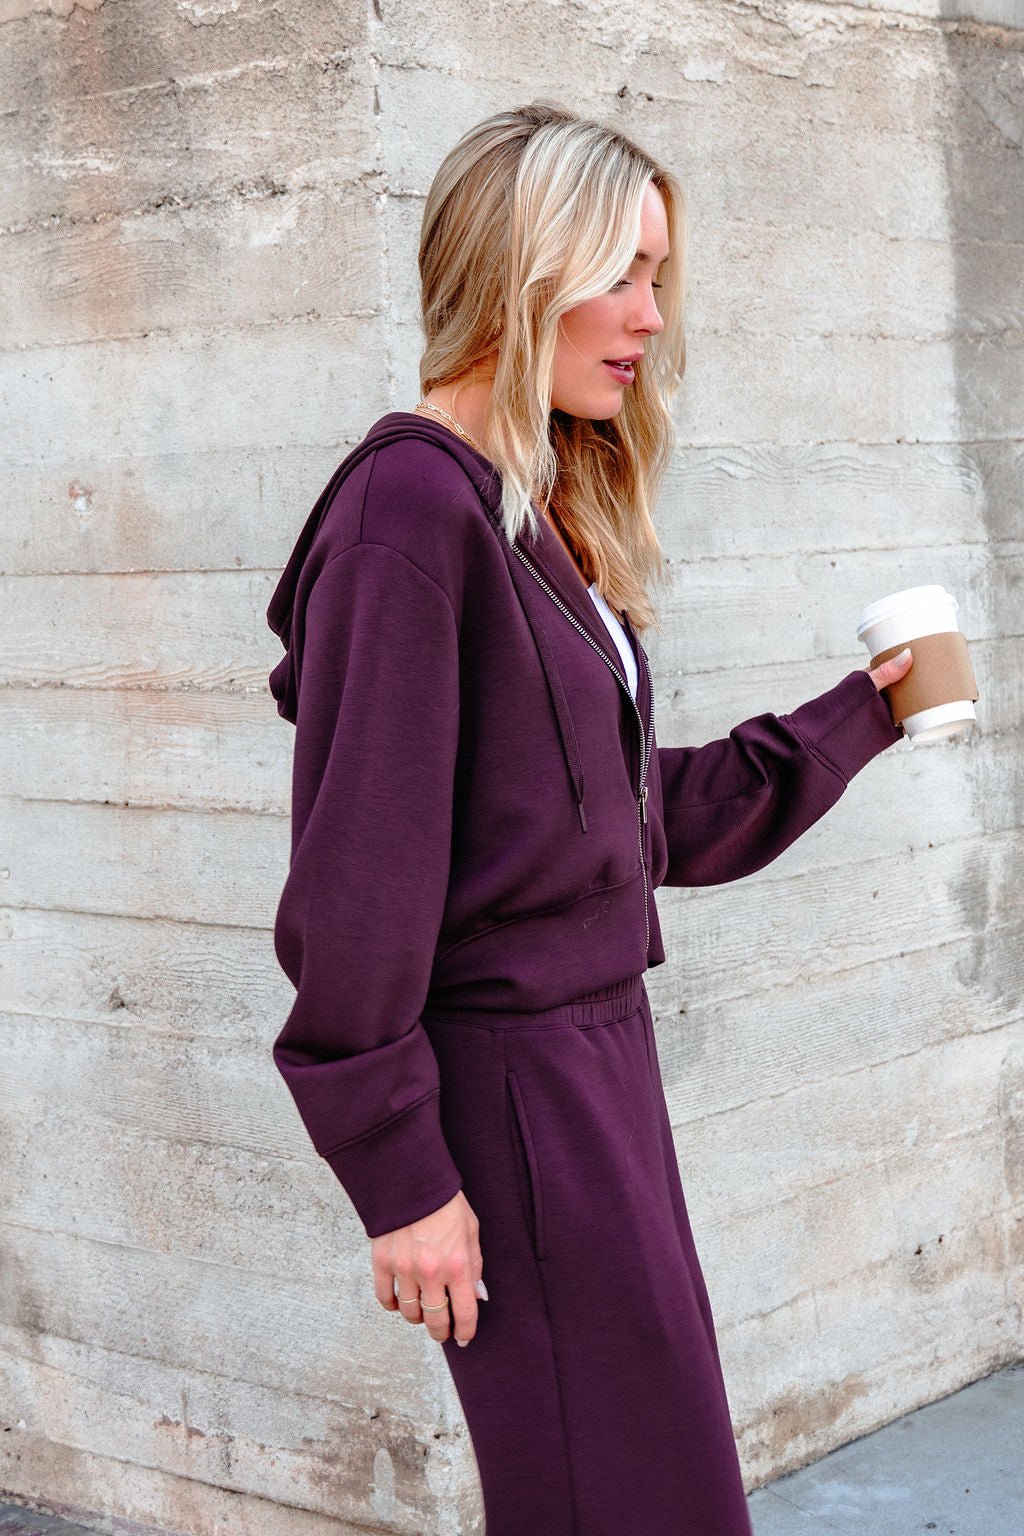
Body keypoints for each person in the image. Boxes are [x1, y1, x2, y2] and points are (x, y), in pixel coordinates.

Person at [265, 102, 913, 1536]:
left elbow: (621, 823)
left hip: (594, 1074)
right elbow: (356, 890)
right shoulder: (409, 520)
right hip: (511, 1100)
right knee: (616, 1500)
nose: (651, 317)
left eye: (660, 278)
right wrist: (403, 1178)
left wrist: (866, 712)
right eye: (622, 271)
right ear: (520, 267)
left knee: (643, 1490)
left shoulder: (521, 513)